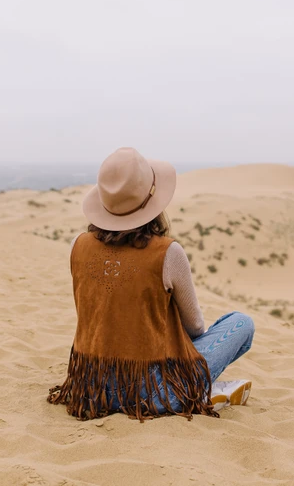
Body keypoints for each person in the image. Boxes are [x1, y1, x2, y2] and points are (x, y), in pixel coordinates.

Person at [48, 147, 255, 421]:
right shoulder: (168, 253)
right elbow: (195, 327)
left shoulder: (78, 246)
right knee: (241, 324)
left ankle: (201, 390)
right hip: (151, 393)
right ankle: (194, 392)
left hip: (90, 390)